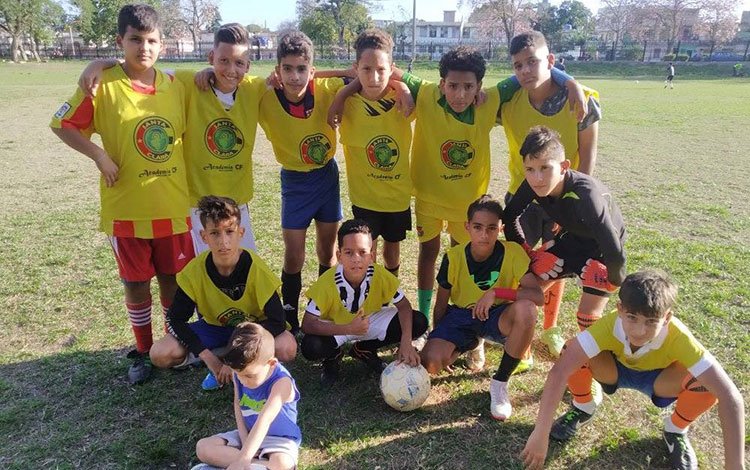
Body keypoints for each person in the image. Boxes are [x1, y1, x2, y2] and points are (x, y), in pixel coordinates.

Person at [50, 4, 193, 384]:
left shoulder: (177, 85)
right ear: (120, 41)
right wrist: (98, 154)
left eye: (151, 41)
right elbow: (62, 124)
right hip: (125, 207)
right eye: (134, 40)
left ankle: (174, 343)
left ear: (162, 44)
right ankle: (143, 351)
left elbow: (219, 76)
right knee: (135, 283)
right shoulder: (102, 85)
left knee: (172, 280)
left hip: (173, 205)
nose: (143, 48)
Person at [520, 270, 745, 470]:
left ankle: (675, 430)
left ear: (667, 318)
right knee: (571, 351)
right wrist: (540, 433)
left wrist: (734, 465)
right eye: (632, 318)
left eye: (651, 321)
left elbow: (730, 396)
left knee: (706, 384)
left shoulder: (680, 337)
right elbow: (560, 371)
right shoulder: (609, 324)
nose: (639, 330)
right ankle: (583, 406)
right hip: (614, 370)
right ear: (619, 310)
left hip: (661, 379)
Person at [77, 23, 267, 255]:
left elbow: (303, 78)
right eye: (223, 60)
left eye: (239, 63)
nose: (231, 69)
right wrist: (100, 63)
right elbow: (141, 67)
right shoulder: (187, 81)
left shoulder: (255, 88)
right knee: (201, 272)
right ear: (211, 57)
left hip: (237, 200)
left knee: (243, 266)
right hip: (196, 202)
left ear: (248, 65)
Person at [503, 125, 627, 419]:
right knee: (528, 285)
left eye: (545, 168)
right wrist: (532, 254)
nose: (537, 177)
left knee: (587, 318)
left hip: (601, 252)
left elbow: (615, 248)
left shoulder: (587, 194)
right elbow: (509, 219)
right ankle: (523, 350)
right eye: (530, 169)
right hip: (571, 241)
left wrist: (611, 279)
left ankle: (595, 377)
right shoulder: (531, 184)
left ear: (564, 166)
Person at [498, 31, 601, 360]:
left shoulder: (581, 99)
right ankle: (522, 331)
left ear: (551, 61)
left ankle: (550, 329)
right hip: (522, 196)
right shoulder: (510, 100)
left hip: (562, 200)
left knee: (558, 263)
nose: (526, 70)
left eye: (533, 62)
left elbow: (587, 160)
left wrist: (575, 206)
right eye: (518, 66)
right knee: (522, 266)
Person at [149, 196, 297, 389]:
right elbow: (176, 320)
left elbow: (277, 321)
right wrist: (207, 356)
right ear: (204, 237)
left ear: (240, 233)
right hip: (215, 328)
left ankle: (237, 365)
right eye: (215, 233)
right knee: (160, 353)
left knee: (287, 347)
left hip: (252, 329)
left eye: (229, 231)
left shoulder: (256, 269)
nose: (223, 241)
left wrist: (232, 361)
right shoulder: (194, 271)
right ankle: (216, 360)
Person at [420, 195, 543, 420]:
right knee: (431, 362)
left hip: (498, 315)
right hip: (461, 315)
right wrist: (439, 337)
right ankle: (471, 343)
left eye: (491, 228)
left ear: (501, 229)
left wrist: (497, 293)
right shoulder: (454, 257)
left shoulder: (513, 252)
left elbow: (537, 296)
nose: (484, 235)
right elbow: (441, 302)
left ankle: (500, 382)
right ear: (467, 227)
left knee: (527, 310)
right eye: (477, 227)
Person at [326, 29, 414, 277]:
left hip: (397, 196)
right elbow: (310, 75)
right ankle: (368, 293)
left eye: (381, 70)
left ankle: (390, 291)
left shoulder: (403, 101)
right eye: (366, 69)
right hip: (365, 197)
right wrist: (344, 90)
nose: (374, 77)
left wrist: (403, 86)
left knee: (392, 249)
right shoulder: (347, 100)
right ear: (356, 67)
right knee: (366, 249)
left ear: (392, 68)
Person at [300, 219, 426, 386]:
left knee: (418, 321)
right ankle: (333, 355)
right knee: (311, 347)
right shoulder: (327, 283)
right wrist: (348, 328)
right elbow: (307, 324)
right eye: (349, 252)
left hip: (368, 322)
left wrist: (406, 341)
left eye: (362, 252)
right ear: (339, 256)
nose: (356, 259)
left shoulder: (379, 275)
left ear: (372, 255)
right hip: (337, 326)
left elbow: (404, 306)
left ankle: (364, 348)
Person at [191, 322, 301, 470]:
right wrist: (245, 443)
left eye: (249, 376)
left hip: (279, 441)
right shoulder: (240, 373)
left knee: (283, 464)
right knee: (203, 447)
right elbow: (238, 404)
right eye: (238, 375)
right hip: (247, 435)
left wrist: (244, 458)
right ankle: (255, 466)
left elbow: (265, 420)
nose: (243, 381)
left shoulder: (282, 383)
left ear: (272, 363)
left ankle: (235, 465)